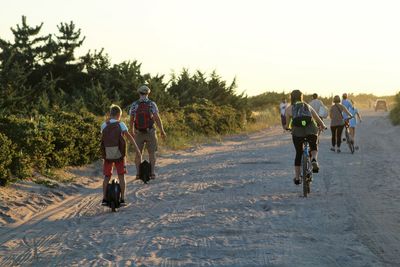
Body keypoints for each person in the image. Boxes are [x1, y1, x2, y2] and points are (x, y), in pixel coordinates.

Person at [100, 104, 142, 206]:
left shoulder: (104, 125)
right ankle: (122, 199)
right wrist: (137, 149)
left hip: (107, 155)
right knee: (121, 176)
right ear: (119, 114)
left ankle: (104, 199)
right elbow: (129, 138)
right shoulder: (121, 124)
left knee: (106, 176)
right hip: (120, 155)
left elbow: (103, 140)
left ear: (110, 114)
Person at [285, 90, 326, 185]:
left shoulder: (289, 109)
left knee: (298, 153)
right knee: (313, 145)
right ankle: (314, 159)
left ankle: (297, 178)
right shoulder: (307, 105)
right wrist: (323, 125)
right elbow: (317, 118)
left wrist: (287, 128)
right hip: (311, 129)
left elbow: (287, 125)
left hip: (297, 132)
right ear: (301, 97)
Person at [129, 85, 166, 180]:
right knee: (152, 153)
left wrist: (131, 130)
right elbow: (157, 118)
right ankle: (152, 173)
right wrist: (162, 130)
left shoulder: (134, 104)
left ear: (139, 93)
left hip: (138, 132)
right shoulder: (151, 104)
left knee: (138, 153)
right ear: (148, 93)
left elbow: (131, 118)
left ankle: (138, 174)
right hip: (150, 131)